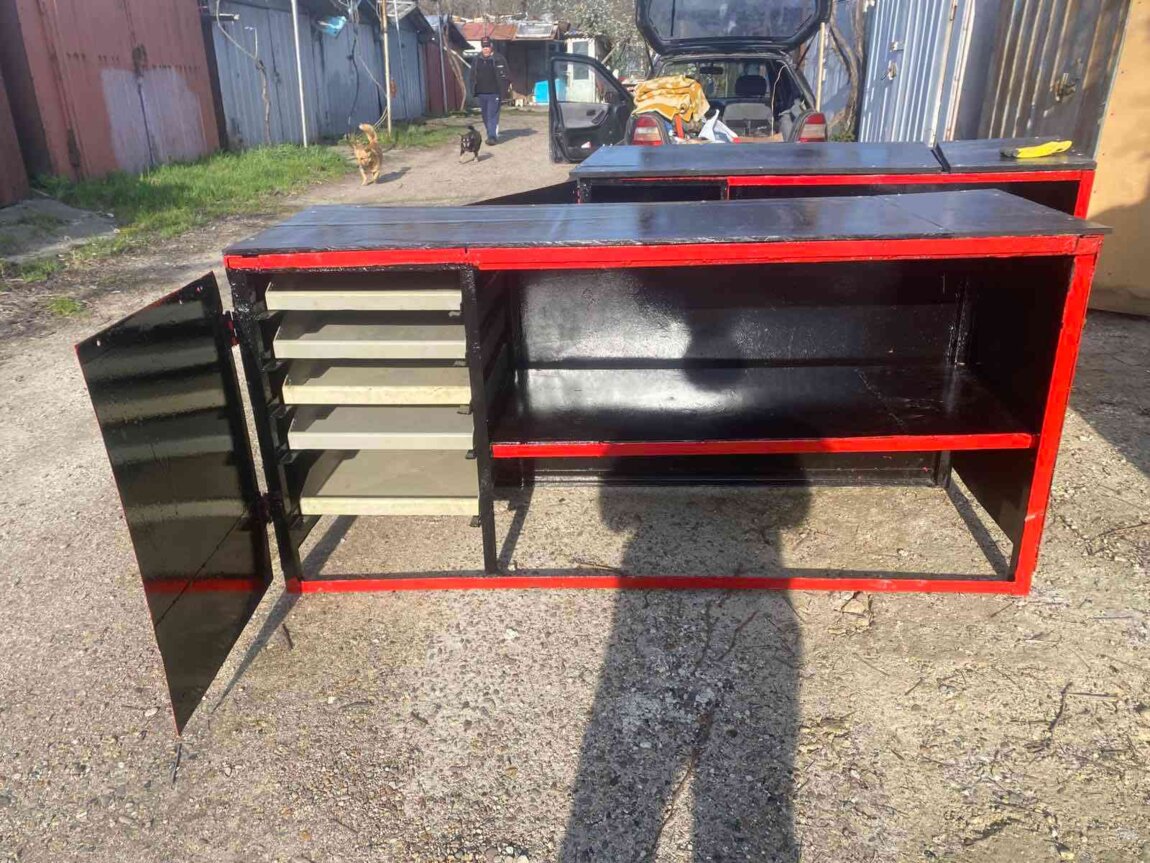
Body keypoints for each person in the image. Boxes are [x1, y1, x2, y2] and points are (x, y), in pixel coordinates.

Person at [472, 38, 510, 146]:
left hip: (495, 92)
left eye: (487, 46)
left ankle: (492, 137)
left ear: (491, 46)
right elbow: (472, 75)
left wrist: (504, 89)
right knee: (485, 116)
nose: (486, 49)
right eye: (484, 47)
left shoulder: (499, 58)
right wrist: (472, 88)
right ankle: (490, 133)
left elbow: (506, 75)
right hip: (481, 92)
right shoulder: (477, 59)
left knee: (492, 115)